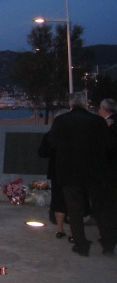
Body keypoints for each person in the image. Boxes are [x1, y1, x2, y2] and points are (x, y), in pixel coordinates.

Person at [50, 92, 117, 256]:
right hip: (95, 172)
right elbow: (110, 145)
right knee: (101, 209)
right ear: (86, 104)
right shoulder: (98, 121)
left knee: (75, 210)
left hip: (70, 173)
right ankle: (108, 244)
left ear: (70, 104)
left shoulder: (61, 121)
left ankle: (81, 245)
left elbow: (52, 143)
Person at [38, 109, 69, 239]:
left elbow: (42, 152)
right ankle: (75, 231)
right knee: (74, 199)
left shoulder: (51, 135)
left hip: (57, 171)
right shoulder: (76, 134)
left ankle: (60, 229)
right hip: (75, 171)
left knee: (59, 199)